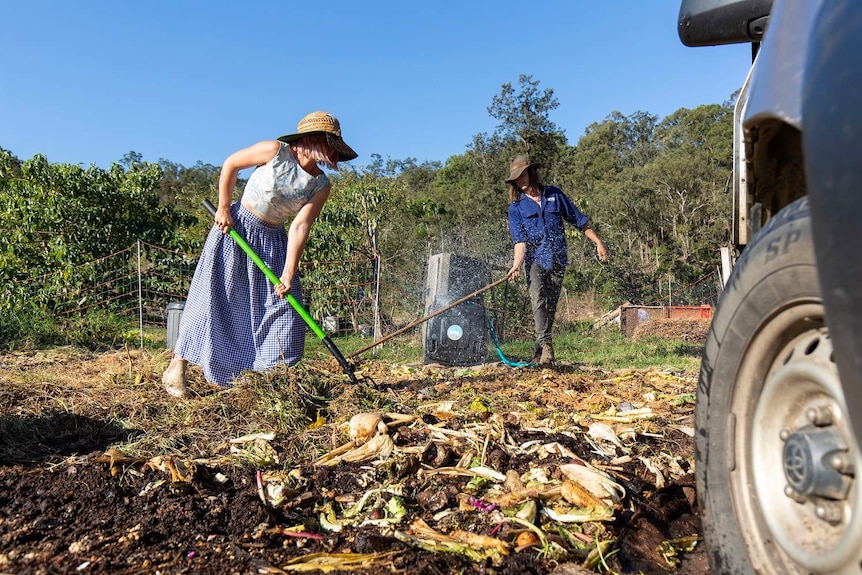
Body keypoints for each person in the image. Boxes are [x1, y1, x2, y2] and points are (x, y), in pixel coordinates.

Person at [162, 111, 358, 398]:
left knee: (285, 310)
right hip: (235, 228)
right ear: (312, 140)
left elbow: (300, 226)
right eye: (328, 144)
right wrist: (224, 207)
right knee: (213, 298)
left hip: (272, 242)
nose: (331, 152)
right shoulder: (274, 151)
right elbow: (231, 165)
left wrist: (288, 273)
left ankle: (265, 381)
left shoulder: (320, 185)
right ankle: (176, 367)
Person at [505, 154, 608, 365]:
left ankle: (538, 351)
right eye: (515, 178)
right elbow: (520, 241)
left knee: (550, 306)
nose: (519, 181)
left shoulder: (554, 195)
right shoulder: (516, 208)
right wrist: (516, 265)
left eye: (521, 175)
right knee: (538, 300)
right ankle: (547, 346)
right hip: (535, 260)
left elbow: (579, 221)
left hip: (558, 258)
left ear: (531, 172)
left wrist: (598, 242)